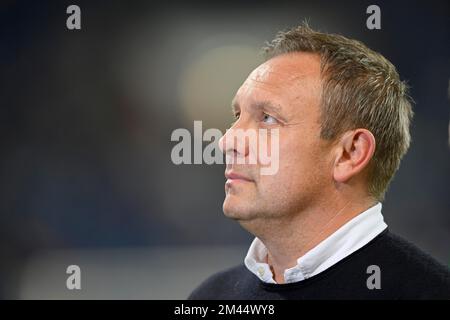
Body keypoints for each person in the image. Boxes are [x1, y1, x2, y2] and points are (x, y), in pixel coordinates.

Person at [188, 23, 450, 299]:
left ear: (350, 154)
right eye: (237, 115)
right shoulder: (212, 296)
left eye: (267, 118)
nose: (227, 141)